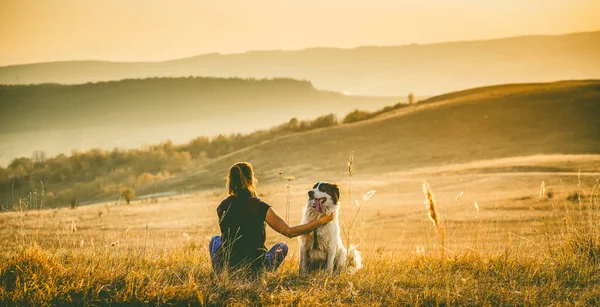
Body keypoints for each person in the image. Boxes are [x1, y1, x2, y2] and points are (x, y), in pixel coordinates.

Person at [209, 162, 334, 274]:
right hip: (256, 267)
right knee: (282, 246)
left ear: (230, 181)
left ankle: (220, 272)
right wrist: (320, 222)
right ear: (251, 180)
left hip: (229, 266)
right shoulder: (260, 206)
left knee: (215, 240)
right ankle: (260, 272)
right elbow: (289, 232)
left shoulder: (222, 207)